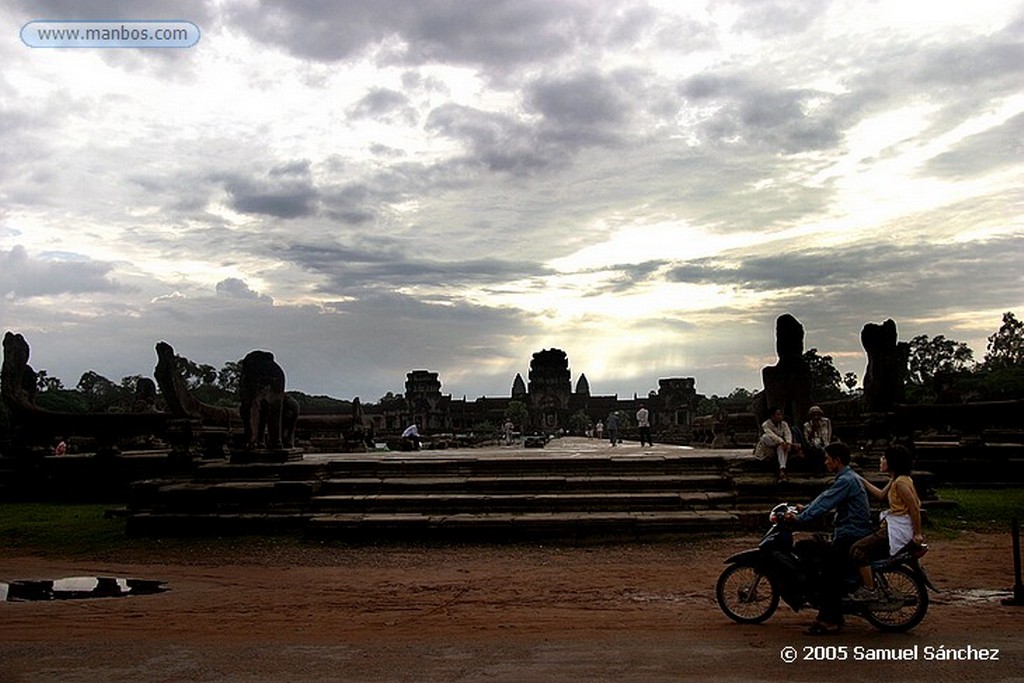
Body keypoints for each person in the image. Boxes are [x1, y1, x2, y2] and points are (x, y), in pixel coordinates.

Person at [787, 442, 873, 635]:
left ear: (837, 460)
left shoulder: (847, 481)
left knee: (829, 572)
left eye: (827, 459)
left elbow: (826, 503)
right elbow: (825, 498)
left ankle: (830, 621)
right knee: (809, 548)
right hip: (847, 532)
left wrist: (801, 518)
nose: (825, 462)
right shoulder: (846, 478)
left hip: (852, 534)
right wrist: (805, 509)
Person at [848, 444, 924, 601]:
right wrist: (859, 479)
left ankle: (870, 589)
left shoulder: (901, 483)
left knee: (857, 550)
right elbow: (881, 495)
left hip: (897, 529)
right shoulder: (896, 479)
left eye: (884, 458)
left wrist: (917, 533)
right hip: (893, 525)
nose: (881, 460)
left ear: (893, 462)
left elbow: (914, 508)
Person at [754, 407, 793, 481]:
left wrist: (788, 443)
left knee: (781, 448)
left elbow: (788, 433)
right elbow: (771, 435)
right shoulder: (766, 424)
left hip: (779, 446)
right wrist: (781, 441)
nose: (780, 416)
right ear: (772, 416)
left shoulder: (784, 424)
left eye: (780, 414)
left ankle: (782, 469)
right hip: (768, 446)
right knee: (765, 437)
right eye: (778, 415)